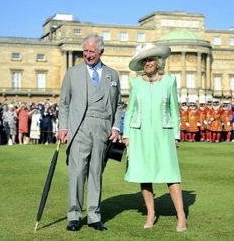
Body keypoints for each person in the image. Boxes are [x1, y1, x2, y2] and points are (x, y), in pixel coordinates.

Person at [58, 34, 122, 232]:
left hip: (103, 130)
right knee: (77, 173)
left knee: (96, 173)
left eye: (91, 51)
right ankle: (74, 216)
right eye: (85, 51)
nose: (87, 55)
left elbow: (118, 104)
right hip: (79, 129)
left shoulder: (113, 75)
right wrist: (63, 128)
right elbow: (64, 103)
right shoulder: (72, 73)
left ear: (101, 52)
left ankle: (94, 217)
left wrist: (116, 127)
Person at [123, 43, 187, 231]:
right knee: (144, 174)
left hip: (163, 133)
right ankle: (151, 213)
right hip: (139, 133)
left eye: (151, 59)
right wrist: (127, 134)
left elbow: (174, 111)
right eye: (144, 60)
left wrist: (176, 135)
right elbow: (130, 111)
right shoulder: (135, 83)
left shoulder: (169, 81)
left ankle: (181, 215)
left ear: (158, 62)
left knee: (171, 173)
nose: (148, 63)